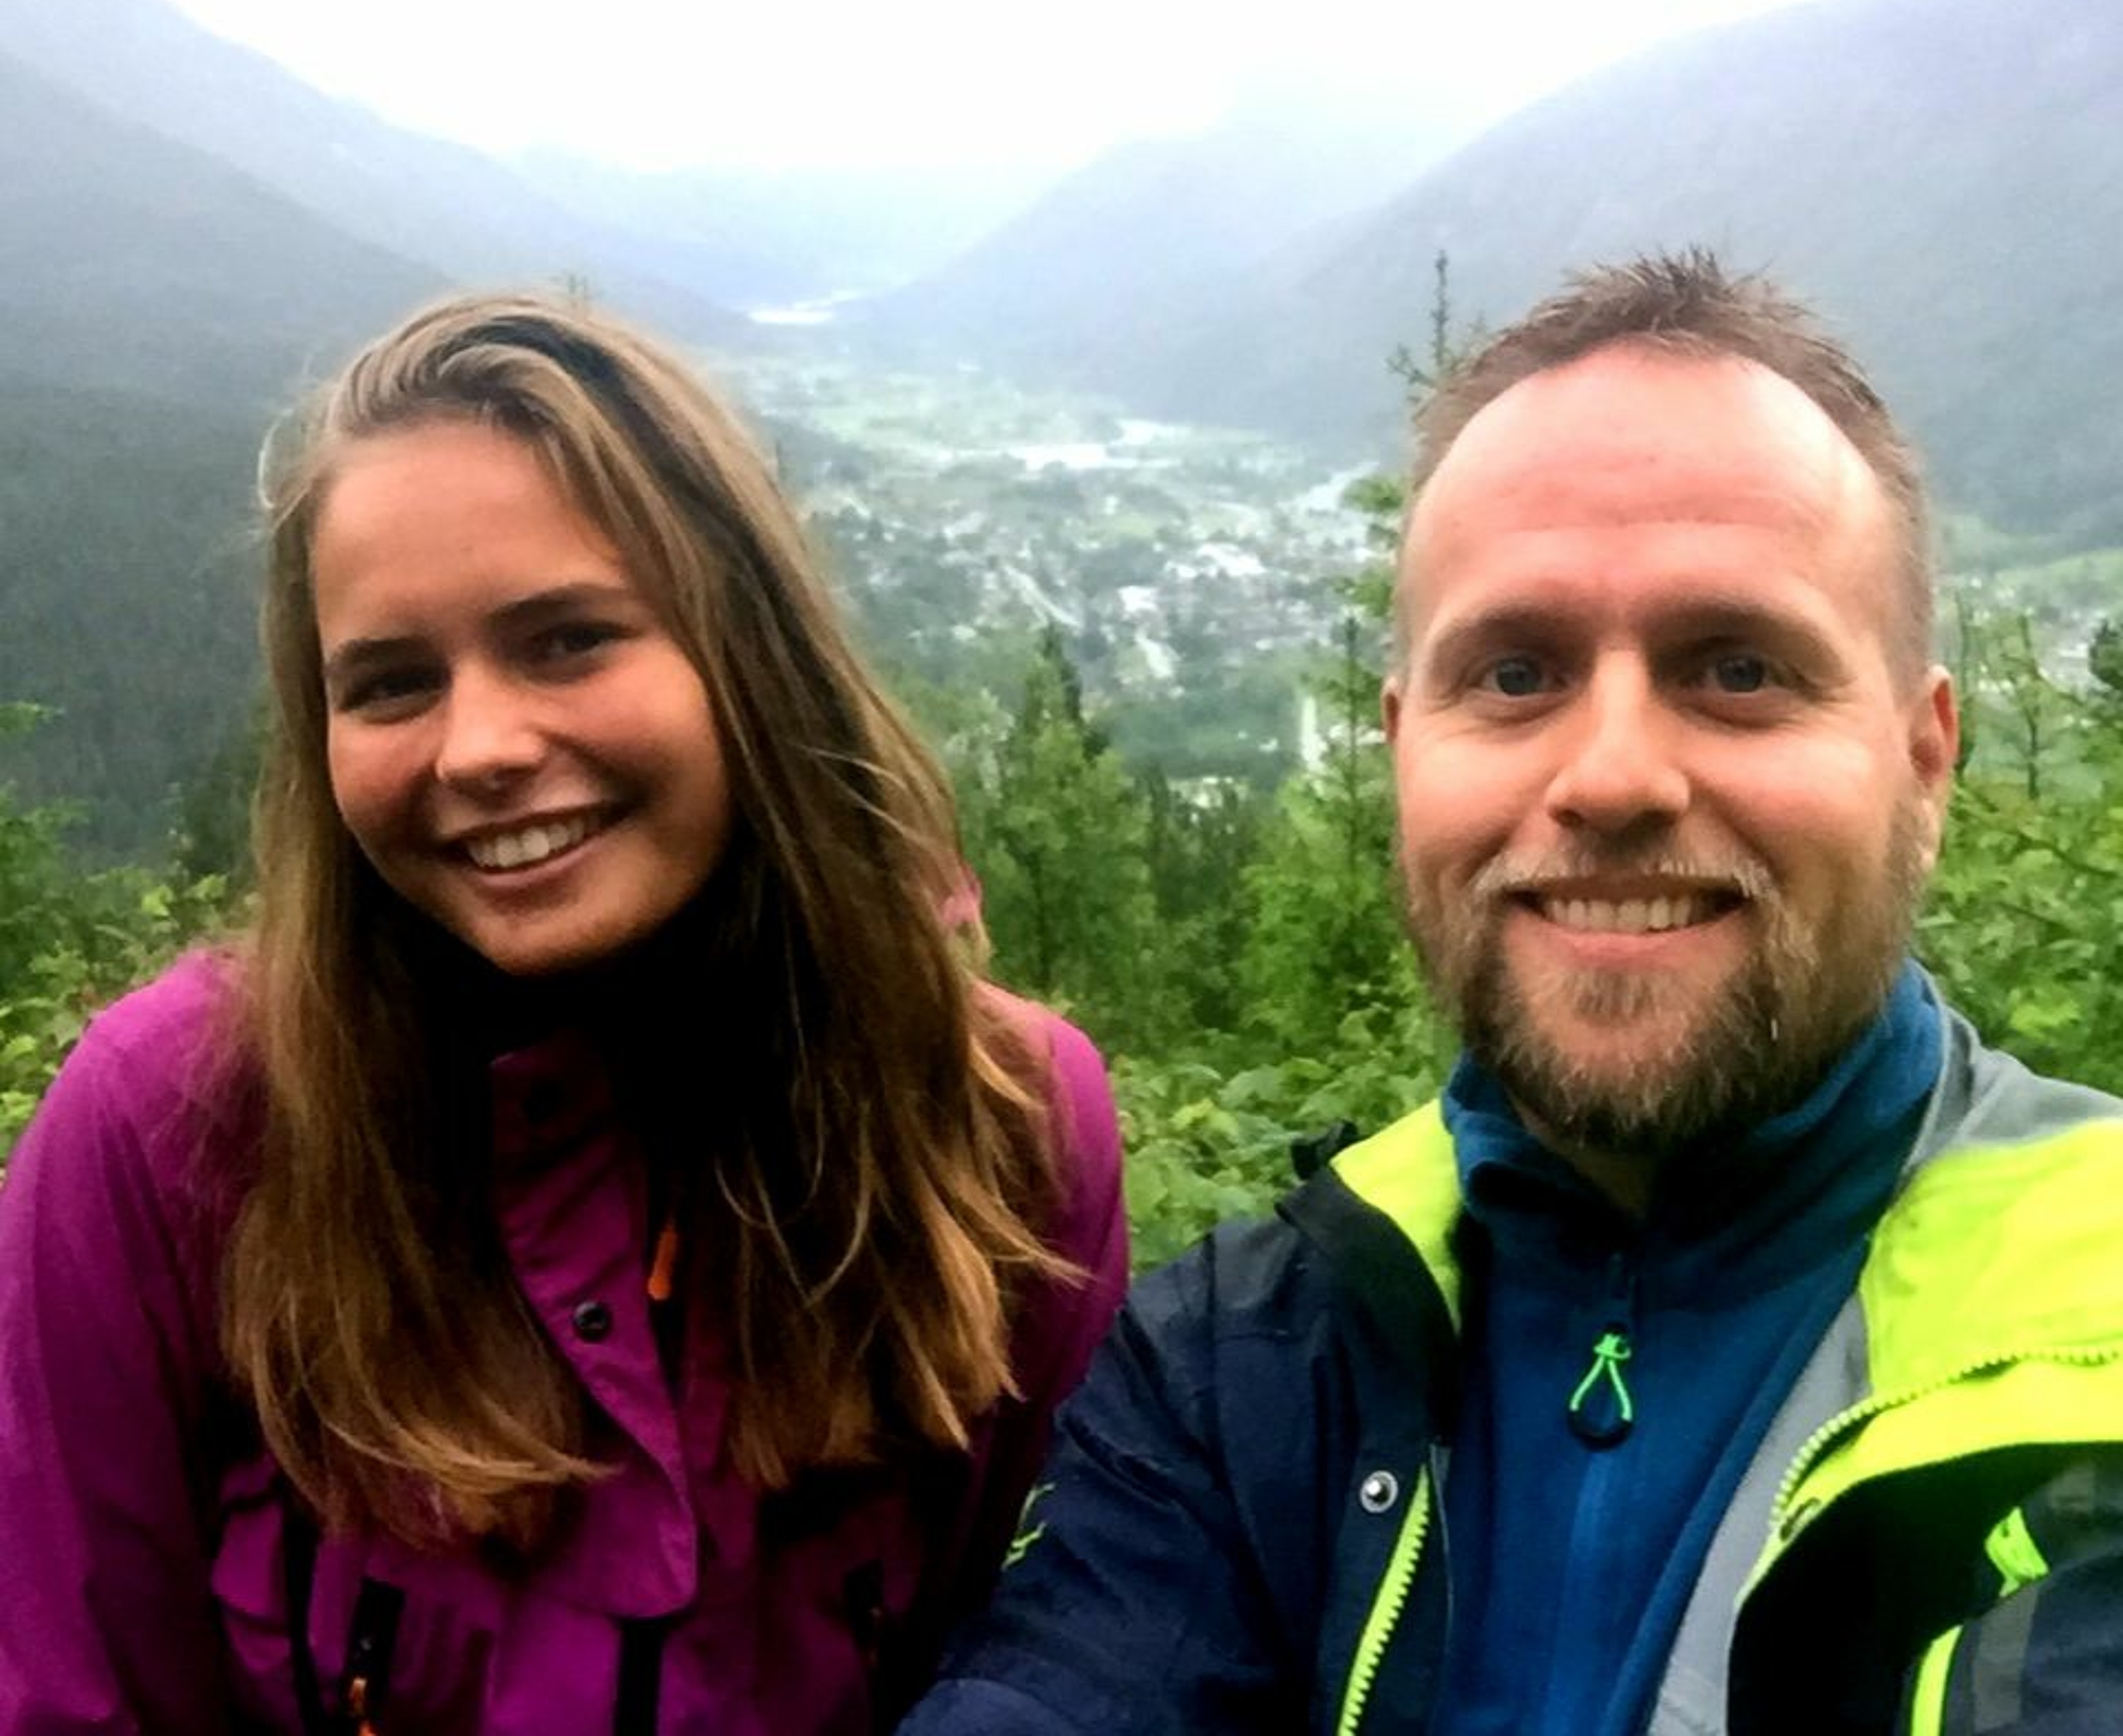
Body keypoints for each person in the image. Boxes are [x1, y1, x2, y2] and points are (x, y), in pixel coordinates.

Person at [902, 252, 2123, 1736]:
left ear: (1925, 762)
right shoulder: (1236, 1363)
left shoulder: (2091, 1329)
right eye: (1517, 674)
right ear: (1403, 748)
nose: (1611, 776)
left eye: (1740, 668)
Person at [0, 292, 1127, 1732]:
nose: (478, 747)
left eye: (569, 640)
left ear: (746, 656)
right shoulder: (169, 1131)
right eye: (392, 684)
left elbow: (1032, 1674)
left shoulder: (1004, 1131)